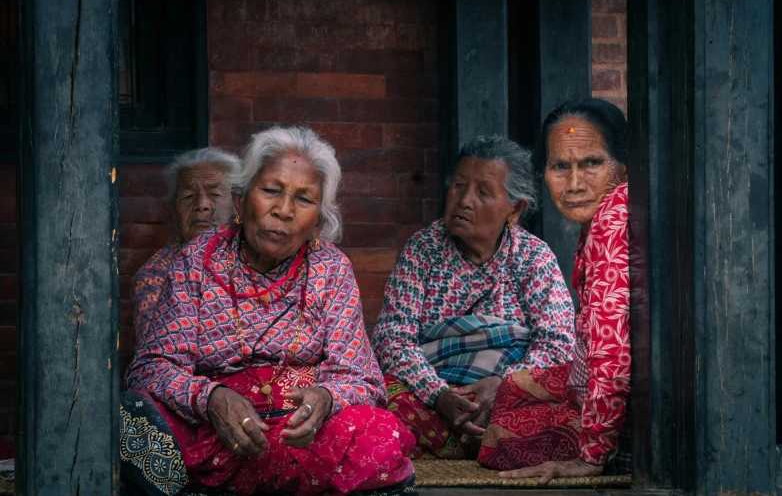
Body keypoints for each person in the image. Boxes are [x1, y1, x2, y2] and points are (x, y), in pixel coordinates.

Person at [122, 126, 415, 496]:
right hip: (213, 428)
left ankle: (231, 482)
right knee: (133, 420)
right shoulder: (196, 261)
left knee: (381, 432)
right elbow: (151, 369)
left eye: (304, 199)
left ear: (318, 223)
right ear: (241, 202)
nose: (284, 210)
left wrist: (325, 399)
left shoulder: (331, 268)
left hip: (302, 433)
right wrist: (210, 398)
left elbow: (363, 379)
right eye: (272, 191)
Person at [372, 136, 576, 460]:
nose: (464, 200)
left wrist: (504, 387)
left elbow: (557, 344)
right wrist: (439, 395)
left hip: (508, 395)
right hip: (432, 398)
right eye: (459, 186)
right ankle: (480, 441)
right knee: (378, 408)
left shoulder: (534, 257)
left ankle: (471, 439)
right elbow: (391, 339)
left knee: (569, 405)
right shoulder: (423, 249)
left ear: (515, 208)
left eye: (482, 192)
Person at [479, 98, 631, 482]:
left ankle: (607, 443)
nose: (575, 183)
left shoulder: (612, 221)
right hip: (602, 384)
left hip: (626, 403)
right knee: (512, 389)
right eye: (561, 166)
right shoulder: (607, 214)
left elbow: (611, 352)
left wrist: (591, 455)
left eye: (592, 163)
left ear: (623, 166)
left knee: (502, 439)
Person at [132, 147, 239, 344]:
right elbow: (157, 354)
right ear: (174, 210)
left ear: (238, 204)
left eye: (214, 194)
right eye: (189, 196)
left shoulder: (260, 257)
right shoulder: (156, 276)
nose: (202, 204)